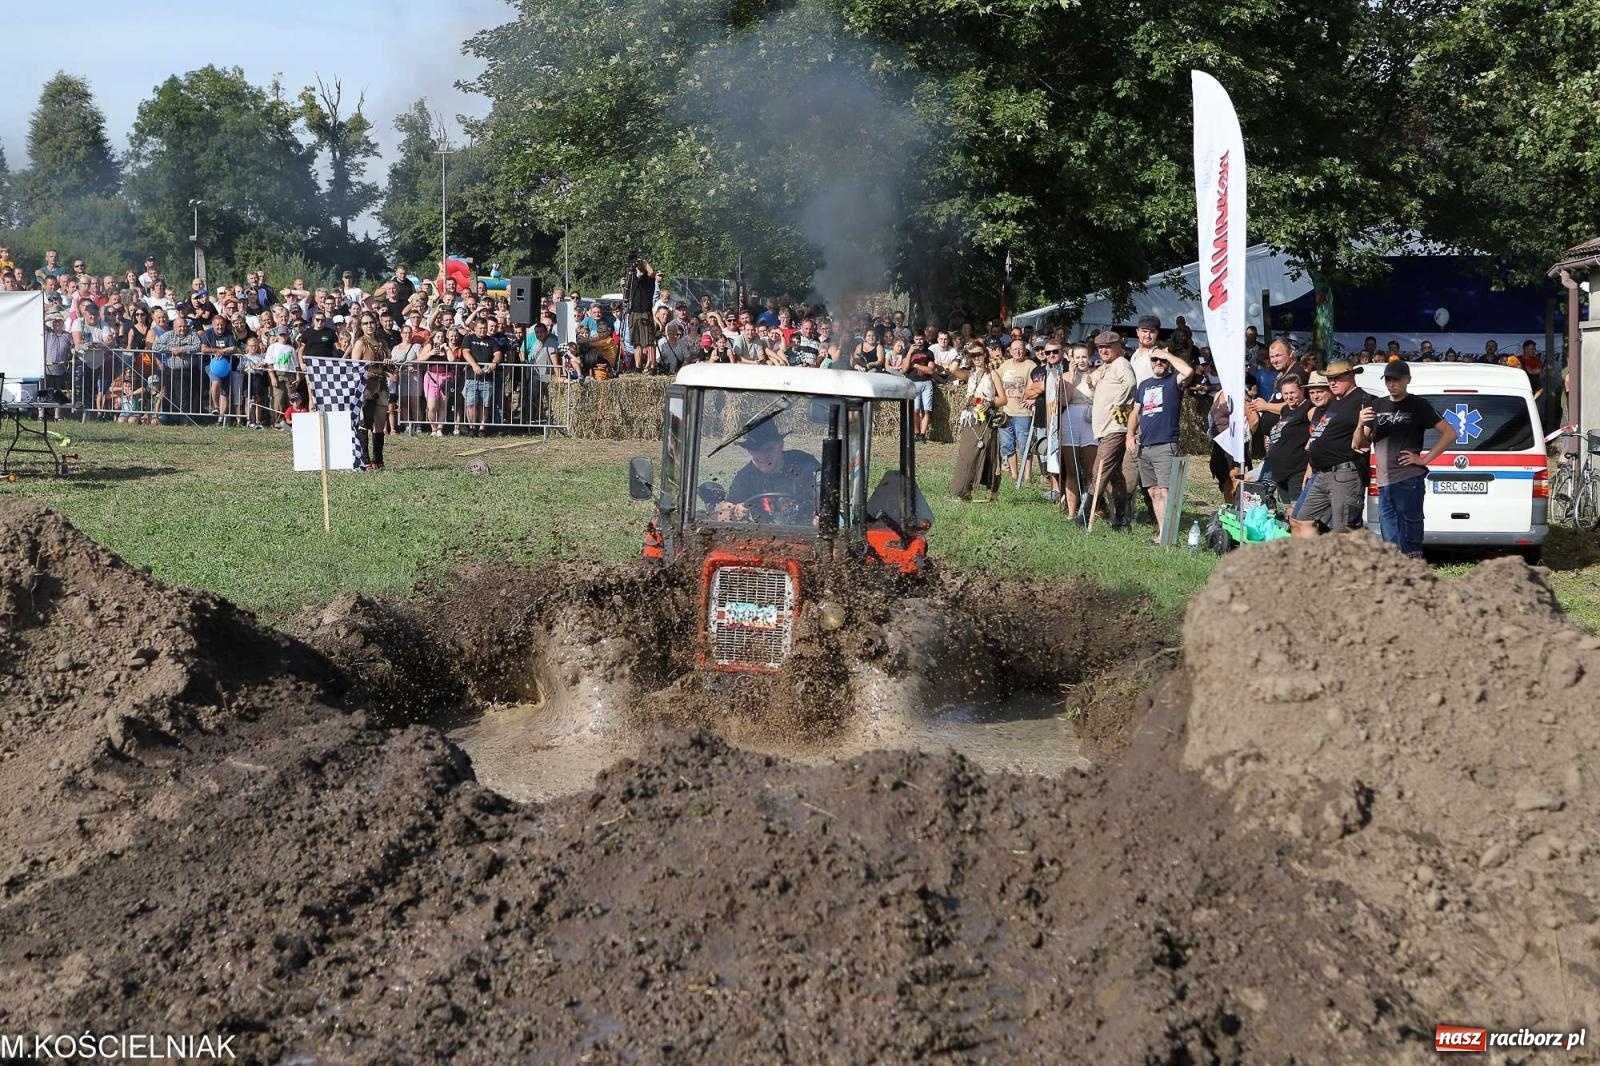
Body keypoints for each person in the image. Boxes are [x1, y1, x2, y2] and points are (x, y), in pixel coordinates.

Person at [1354, 360, 1457, 558]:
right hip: (1384, 482)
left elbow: (1450, 433)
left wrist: (1424, 460)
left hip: (1408, 479)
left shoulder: (1419, 405)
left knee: (1410, 537)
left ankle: (1414, 576)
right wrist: (1360, 424)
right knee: (1389, 540)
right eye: (1388, 380)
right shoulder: (1377, 405)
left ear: (1407, 380)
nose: (1392, 384)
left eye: (1397, 379)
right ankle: (1395, 579)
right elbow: (1359, 444)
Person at [1290, 358, 1367, 537]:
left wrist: (1361, 426)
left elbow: (1364, 440)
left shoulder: (1362, 400)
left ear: (1351, 376)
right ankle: (1312, 564)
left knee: (1344, 532)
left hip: (1345, 472)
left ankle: (1350, 565)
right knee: (1301, 519)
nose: (1332, 382)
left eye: (1337, 378)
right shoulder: (1336, 401)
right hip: (1322, 472)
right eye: (1329, 378)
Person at [1129, 347, 1195, 544]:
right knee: (1153, 491)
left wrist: (1167, 355)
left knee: (1165, 491)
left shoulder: (1173, 380)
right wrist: (1129, 435)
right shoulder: (1144, 385)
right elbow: (1135, 413)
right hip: (1145, 445)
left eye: (1162, 360)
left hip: (1165, 444)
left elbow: (1189, 372)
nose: (1158, 363)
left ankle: (1168, 536)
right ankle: (1162, 533)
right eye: (1155, 360)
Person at [716, 420, 821, 522]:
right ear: (749, 451)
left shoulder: (805, 464)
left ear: (780, 445)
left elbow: (826, 503)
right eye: (755, 450)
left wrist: (819, 517)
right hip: (761, 537)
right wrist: (733, 513)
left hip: (805, 535)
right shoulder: (746, 476)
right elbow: (723, 515)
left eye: (768, 449)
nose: (762, 456)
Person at [950, 341, 1009, 502]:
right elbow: (952, 369)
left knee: (989, 456)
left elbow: (1003, 399)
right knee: (967, 455)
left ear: (985, 355)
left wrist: (989, 403)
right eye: (973, 355)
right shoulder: (969, 374)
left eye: (979, 354)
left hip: (987, 418)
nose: (976, 358)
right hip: (971, 418)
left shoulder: (992, 374)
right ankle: (965, 490)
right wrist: (962, 351)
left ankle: (993, 494)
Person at [1088, 331, 1136, 529]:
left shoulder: (1121, 364)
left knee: (1099, 470)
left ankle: (1085, 514)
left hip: (1115, 427)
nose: (1104, 350)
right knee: (1114, 476)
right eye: (1100, 348)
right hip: (1104, 428)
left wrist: (1120, 403)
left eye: (1108, 347)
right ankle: (1121, 518)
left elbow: (1131, 384)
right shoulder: (1107, 367)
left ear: (1118, 347)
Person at [1057, 343, 1099, 521]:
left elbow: (1102, 399)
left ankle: (1088, 511)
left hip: (1089, 418)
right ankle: (1071, 513)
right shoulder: (1066, 376)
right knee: (1072, 469)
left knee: (1090, 470)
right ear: (1071, 359)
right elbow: (1063, 401)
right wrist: (1072, 376)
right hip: (1071, 418)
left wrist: (1093, 386)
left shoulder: (1097, 373)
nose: (1081, 360)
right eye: (1077, 357)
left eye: (1084, 357)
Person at [348, 310, 391, 470]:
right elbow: (354, 367)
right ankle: (365, 459)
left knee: (380, 424)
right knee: (365, 423)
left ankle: (378, 460)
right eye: (365, 323)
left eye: (371, 322)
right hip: (366, 385)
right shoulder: (360, 343)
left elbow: (390, 368)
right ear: (361, 325)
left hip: (381, 384)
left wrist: (389, 363)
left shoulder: (383, 343)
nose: (369, 326)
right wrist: (361, 387)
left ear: (376, 323)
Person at [1262, 373, 1311, 504]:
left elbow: (1318, 432)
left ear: (1302, 390)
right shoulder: (1285, 410)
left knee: (1297, 514)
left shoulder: (1308, 408)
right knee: (1287, 514)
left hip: (1297, 471)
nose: (1289, 397)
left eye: (1292, 392)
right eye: (1285, 393)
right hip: (1280, 472)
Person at [996, 339, 1037, 486]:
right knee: (1007, 444)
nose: (1018, 352)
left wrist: (1032, 399)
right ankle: (1014, 474)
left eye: (1020, 349)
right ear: (1010, 351)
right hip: (1006, 412)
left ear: (1025, 350)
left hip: (1023, 413)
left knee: (1025, 445)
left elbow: (1036, 386)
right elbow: (995, 380)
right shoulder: (1005, 366)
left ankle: (1027, 477)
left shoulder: (1031, 366)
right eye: (1015, 349)